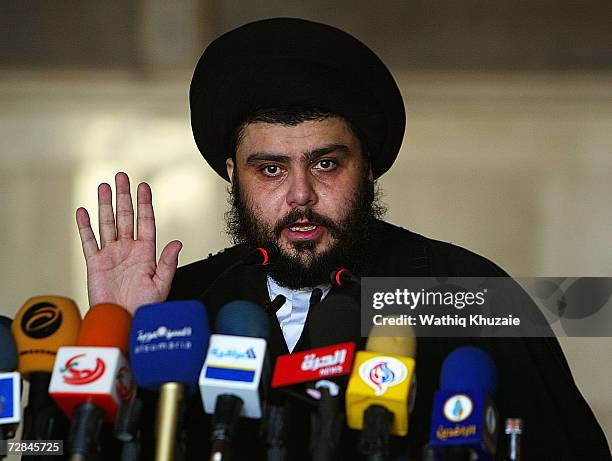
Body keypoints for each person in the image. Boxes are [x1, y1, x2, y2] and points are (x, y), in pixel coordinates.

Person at [76, 18, 610, 460]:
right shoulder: (180, 307)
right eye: (270, 169)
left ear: (369, 168)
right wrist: (117, 334)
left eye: (326, 164)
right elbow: (42, 447)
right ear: (232, 174)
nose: (301, 196)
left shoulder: (467, 294)